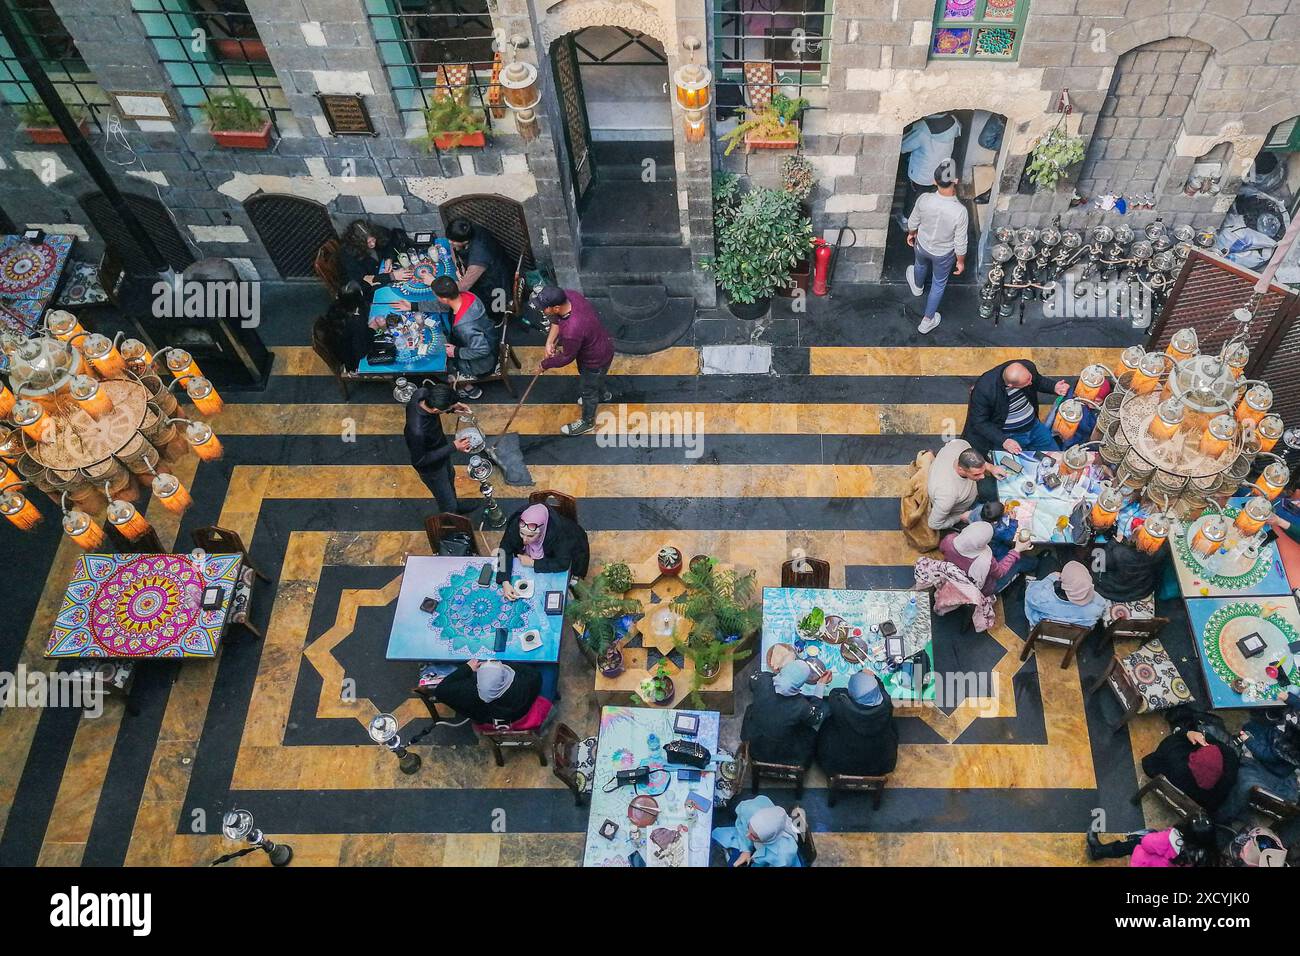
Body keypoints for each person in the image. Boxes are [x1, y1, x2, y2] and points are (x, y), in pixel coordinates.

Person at [535, 287, 617, 437]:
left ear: (556, 307)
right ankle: (604, 395)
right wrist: (550, 342)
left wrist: (544, 365)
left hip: (593, 361)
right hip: (605, 346)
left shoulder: (572, 330)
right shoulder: (571, 296)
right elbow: (557, 320)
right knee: (597, 378)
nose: (542, 311)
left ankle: (587, 422)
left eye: (544, 308)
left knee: (588, 390)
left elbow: (566, 357)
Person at [906, 161, 968, 335]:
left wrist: (911, 233)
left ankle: (917, 287)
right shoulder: (960, 211)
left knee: (919, 265)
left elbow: (913, 222)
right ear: (955, 180)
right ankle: (927, 320)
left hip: (922, 244)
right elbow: (960, 241)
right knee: (938, 284)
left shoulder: (924, 199)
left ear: (934, 181)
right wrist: (961, 261)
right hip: (944, 254)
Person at [962, 359, 1070, 456]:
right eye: (1027, 382)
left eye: (1030, 378)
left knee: (1056, 457)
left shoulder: (1026, 368)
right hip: (1010, 435)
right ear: (1011, 385)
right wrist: (1004, 441)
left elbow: (1038, 381)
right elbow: (979, 422)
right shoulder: (985, 390)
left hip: (1035, 427)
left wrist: (1054, 387)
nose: (1030, 383)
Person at [741, 659, 829, 768]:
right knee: (819, 717)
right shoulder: (801, 706)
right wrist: (820, 685)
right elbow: (816, 717)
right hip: (784, 752)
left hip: (755, 739)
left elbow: (752, 682)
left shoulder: (762, 680)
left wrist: (780, 673)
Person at [404, 382, 476, 515]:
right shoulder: (417, 431)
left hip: (441, 452)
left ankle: (455, 507)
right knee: (445, 500)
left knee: (450, 481)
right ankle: (451, 524)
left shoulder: (421, 394)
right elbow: (419, 461)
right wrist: (454, 446)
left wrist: (453, 408)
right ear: (436, 411)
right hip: (432, 470)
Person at [496, 502, 590, 598]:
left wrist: (533, 563)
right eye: (522, 533)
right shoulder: (516, 524)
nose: (524, 539)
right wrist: (505, 582)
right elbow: (504, 549)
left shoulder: (560, 533)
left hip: (573, 553)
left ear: (542, 530)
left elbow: (563, 563)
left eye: (530, 536)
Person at [815, 670, 899, 778]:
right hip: (879, 765)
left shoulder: (841, 707)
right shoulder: (887, 706)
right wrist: (874, 678)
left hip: (839, 765)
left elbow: (834, 692)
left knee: (826, 725)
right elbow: (882, 691)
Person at [1140, 726, 1240, 815]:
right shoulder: (1229, 774)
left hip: (1175, 779)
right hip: (1198, 805)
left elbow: (1154, 759)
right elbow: (1225, 749)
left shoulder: (1176, 760)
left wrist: (1188, 733)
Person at [432, 275, 498, 400]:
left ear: (444, 299)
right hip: (490, 336)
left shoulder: (465, 327)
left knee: (439, 367)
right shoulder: (468, 295)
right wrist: (413, 306)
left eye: (436, 296)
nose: (436, 298)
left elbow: (482, 350)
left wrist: (455, 351)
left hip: (482, 364)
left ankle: (467, 387)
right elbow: (443, 306)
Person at [428, 658, 542, 725]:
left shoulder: (468, 692)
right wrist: (502, 663)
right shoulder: (526, 683)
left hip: (488, 720)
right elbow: (533, 673)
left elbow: (440, 691)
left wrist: (467, 668)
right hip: (518, 714)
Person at [927, 437, 1004, 531]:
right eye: (977, 474)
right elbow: (933, 524)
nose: (982, 477)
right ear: (960, 469)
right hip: (963, 510)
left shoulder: (961, 444)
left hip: (970, 491)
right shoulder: (947, 495)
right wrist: (960, 517)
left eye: (982, 471)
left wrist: (991, 467)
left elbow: (978, 462)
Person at [939, 521, 1031, 596]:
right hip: (983, 589)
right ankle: (1037, 563)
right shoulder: (986, 560)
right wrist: (1017, 550)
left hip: (954, 576)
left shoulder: (949, 540)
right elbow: (1000, 573)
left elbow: (942, 550)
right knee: (1020, 562)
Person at [1086, 815, 1217, 867]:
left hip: (1147, 863)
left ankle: (1097, 851)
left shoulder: (1171, 839)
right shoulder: (1209, 856)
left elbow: (1147, 844)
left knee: (1137, 842)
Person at [899, 113, 961, 222]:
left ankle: (906, 219)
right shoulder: (953, 121)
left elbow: (903, 146)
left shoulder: (923, 129)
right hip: (941, 171)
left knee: (913, 198)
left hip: (922, 174)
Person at [448, 218, 512, 321]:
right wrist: (459, 267)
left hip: (496, 283)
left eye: (453, 241)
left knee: (496, 309)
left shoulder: (478, 259)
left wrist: (435, 283)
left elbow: (463, 287)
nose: (450, 242)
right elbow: (453, 247)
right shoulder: (469, 228)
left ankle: (498, 322)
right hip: (494, 267)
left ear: (465, 241)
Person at [711, 795, 802, 867]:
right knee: (715, 839)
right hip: (757, 851)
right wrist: (746, 850)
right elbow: (742, 823)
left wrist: (753, 860)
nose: (747, 835)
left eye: (754, 836)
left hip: (769, 862)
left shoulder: (784, 855)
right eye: (749, 827)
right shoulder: (751, 810)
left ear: (769, 838)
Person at [1023, 560, 1108, 630]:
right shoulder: (1098, 603)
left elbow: (1029, 594)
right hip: (1074, 635)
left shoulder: (1042, 598)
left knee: (1048, 562)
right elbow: (1101, 608)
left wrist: (1051, 577)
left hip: (1045, 629)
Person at [340, 220, 411, 293]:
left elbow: (388, 243)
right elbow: (365, 279)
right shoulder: (348, 254)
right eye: (368, 243)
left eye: (373, 240)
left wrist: (389, 258)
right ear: (359, 243)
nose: (373, 244)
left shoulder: (376, 232)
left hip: (382, 272)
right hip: (369, 286)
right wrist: (392, 276)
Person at [1092, 537, 1164, 603]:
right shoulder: (1160, 552)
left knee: (1097, 553)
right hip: (1140, 590)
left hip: (1114, 588)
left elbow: (1098, 564)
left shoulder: (1119, 552)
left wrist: (1112, 542)